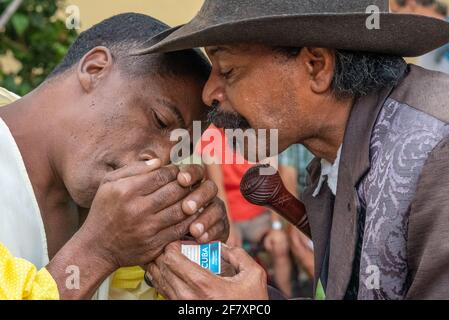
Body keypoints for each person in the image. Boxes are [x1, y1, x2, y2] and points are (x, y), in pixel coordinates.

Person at [142, 0, 449, 300]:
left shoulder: (436, 151)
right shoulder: (334, 162)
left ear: (316, 66)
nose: (209, 94)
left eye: (228, 70)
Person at [0, 13, 230, 300]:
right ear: (94, 69)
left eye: (180, 150)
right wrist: (98, 251)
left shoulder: (107, 213)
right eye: (160, 120)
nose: (158, 159)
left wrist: (193, 258)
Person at [200, 126, 293, 297]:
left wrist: (276, 226)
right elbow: (217, 186)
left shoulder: (259, 129)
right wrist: (228, 226)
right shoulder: (210, 134)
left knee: (279, 245)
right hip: (229, 214)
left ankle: (286, 295)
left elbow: (272, 182)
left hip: (260, 214)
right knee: (225, 255)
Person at [278, 145, 315, 297]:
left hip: (335, 210)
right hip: (304, 211)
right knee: (301, 249)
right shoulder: (293, 142)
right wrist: (296, 223)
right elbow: (288, 178)